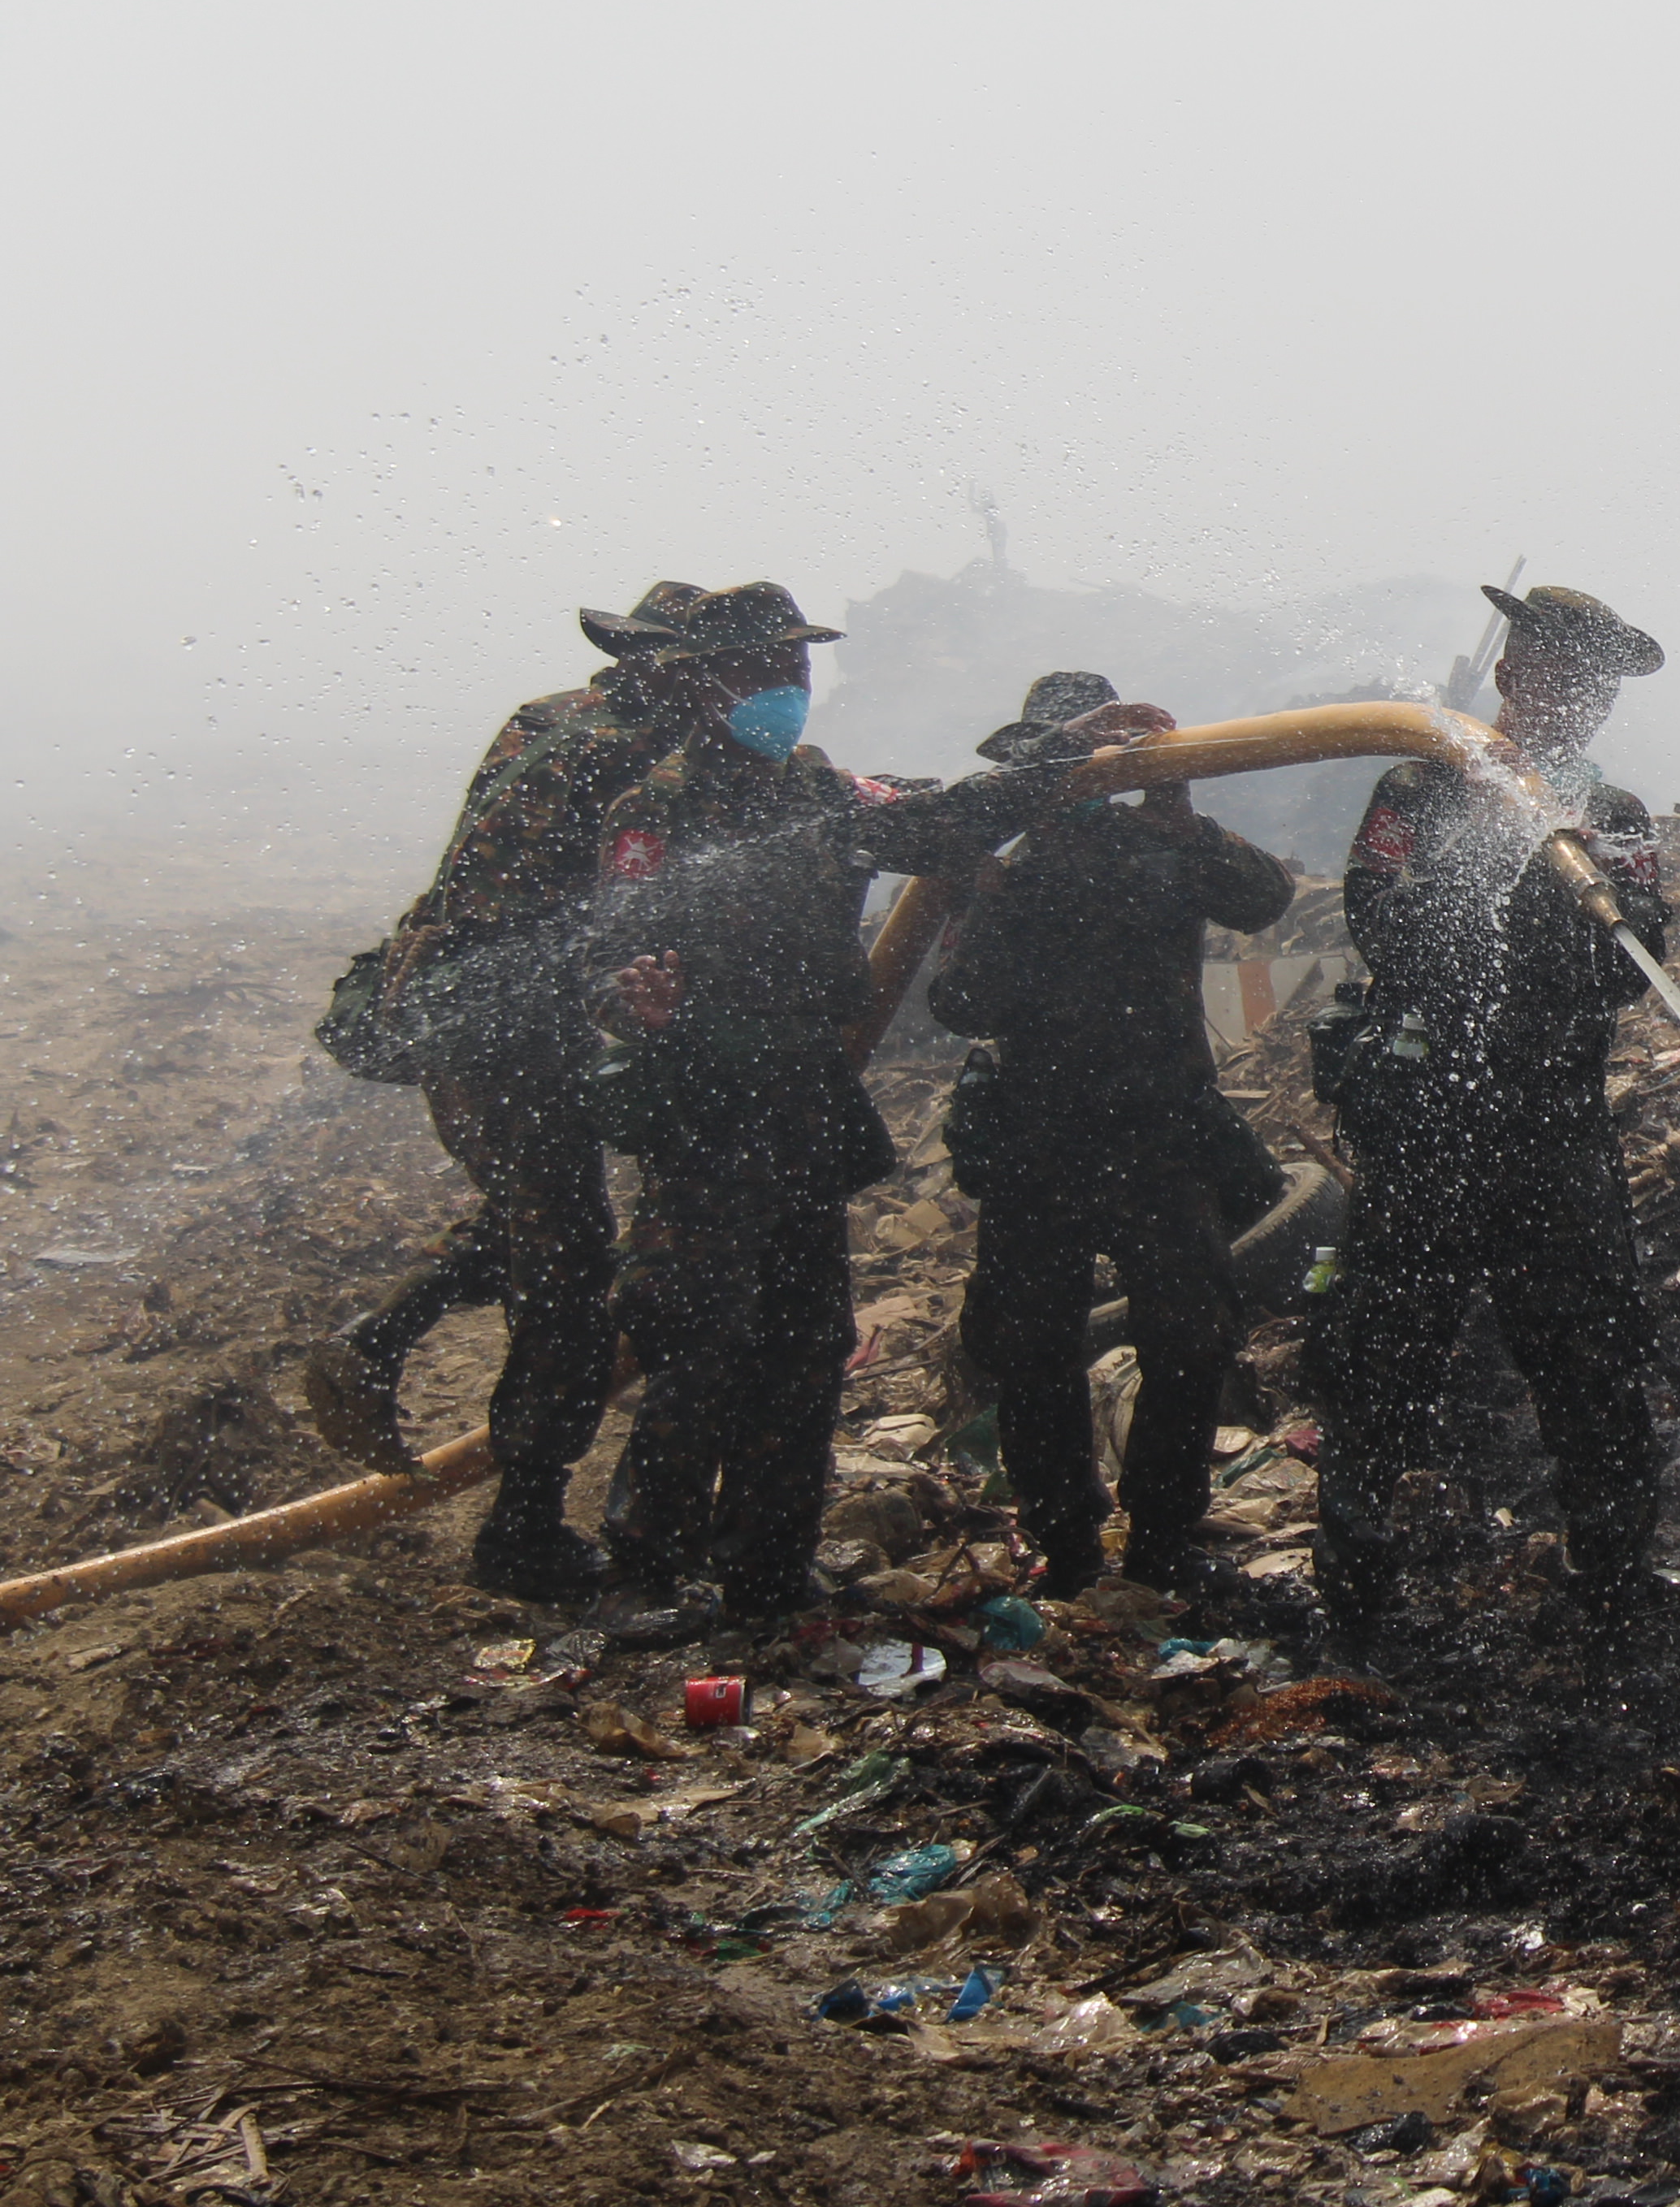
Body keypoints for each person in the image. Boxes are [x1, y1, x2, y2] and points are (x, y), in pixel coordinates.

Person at [580, 585, 1124, 1620]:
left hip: (799, 1104)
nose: (785, 688)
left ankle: (767, 1564)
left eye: (794, 668)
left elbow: (946, 818)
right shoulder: (654, 811)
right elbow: (608, 953)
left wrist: (1060, 751)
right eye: (761, 670)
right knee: (698, 1339)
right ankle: (643, 1573)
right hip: (704, 1108)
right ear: (706, 684)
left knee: (804, 1337)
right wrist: (630, 997)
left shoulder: (825, 795)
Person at [300, 581, 715, 1605]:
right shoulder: (632, 754)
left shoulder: (550, 716)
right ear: (672, 668)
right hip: (503, 1026)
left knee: (544, 1219)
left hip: (455, 1006)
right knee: (568, 1266)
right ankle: (522, 1527)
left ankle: (381, 1337)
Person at [1313, 583, 1672, 1655]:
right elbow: (1378, 916)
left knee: (1595, 1358)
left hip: (1553, 1127)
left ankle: (1613, 1592)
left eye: (1593, 682)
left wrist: (1567, 921)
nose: (1573, 697)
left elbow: (1632, 957)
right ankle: (1358, 1605)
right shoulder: (1423, 784)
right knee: (1384, 1355)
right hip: (1428, 1115)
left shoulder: (1613, 818)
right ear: (1512, 673)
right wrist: (1492, 929)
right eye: (1555, 671)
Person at [929, 672, 1297, 1600]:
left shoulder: (1161, 848)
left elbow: (1264, 897)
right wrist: (984, 897)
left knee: (1192, 1336)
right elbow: (959, 1000)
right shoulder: (1002, 869)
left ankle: (1166, 1533)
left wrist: (1183, 821)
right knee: (1033, 1347)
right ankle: (1066, 1539)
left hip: (1158, 1132)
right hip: (1036, 1142)